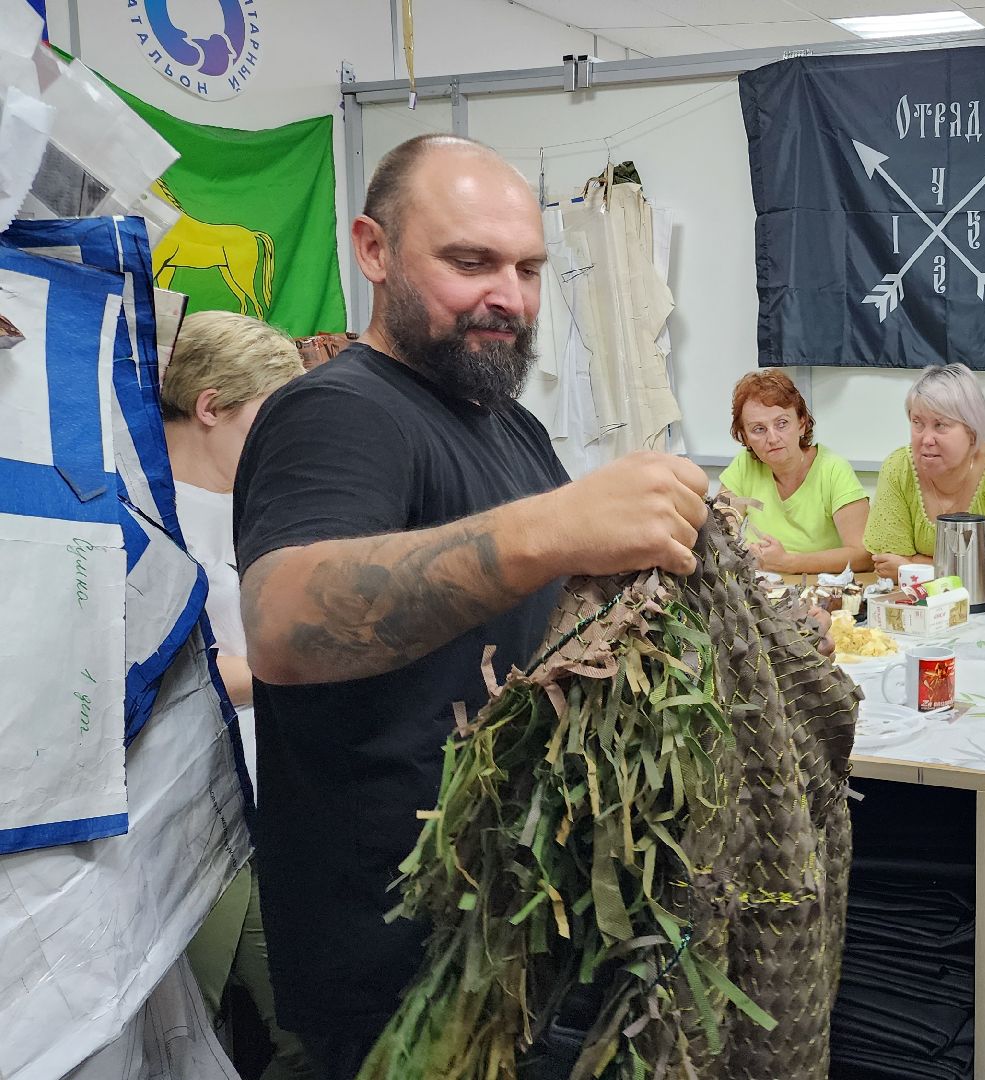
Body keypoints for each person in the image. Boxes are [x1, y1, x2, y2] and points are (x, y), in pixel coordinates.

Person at [233, 133, 711, 1080]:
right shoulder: (339, 411)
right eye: (470, 262)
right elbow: (284, 625)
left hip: (520, 938)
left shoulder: (508, 423)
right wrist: (552, 529)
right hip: (403, 968)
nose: (511, 296)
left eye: (530, 268)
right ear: (373, 251)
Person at [162, 310, 316, 1080]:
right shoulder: (151, 519)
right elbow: (179, 676)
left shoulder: (247, 502)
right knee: (291, 1015)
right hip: (202, 819)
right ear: (210, 406)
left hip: (271, 795)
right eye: (269, 417)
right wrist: (314, 663)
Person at [864, 362, 985, 590]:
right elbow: (887, 564)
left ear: (971, 431)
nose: (926, 438)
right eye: (917, 423)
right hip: (928, 604)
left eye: (940, 425)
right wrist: (971, 569)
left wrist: (917, 567)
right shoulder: (898, 467)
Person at [718, 369, 872, 575]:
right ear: (744, 437)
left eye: (782, 423)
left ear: (802, 423)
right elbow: (717, 532)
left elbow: (864, 556)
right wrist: (742, 551)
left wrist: (790, 563)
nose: (772, 438)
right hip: (760, 591)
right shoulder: (744, 465)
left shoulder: (833, 470)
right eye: (758, 429)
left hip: (821, 594)